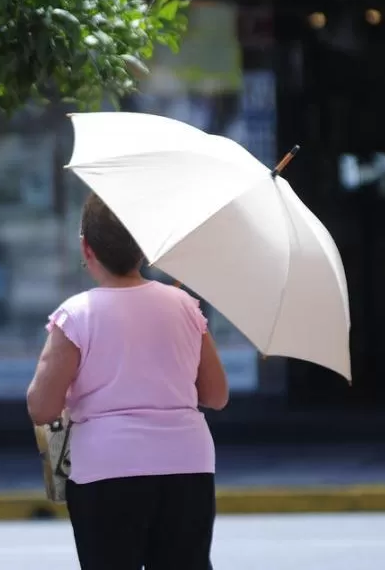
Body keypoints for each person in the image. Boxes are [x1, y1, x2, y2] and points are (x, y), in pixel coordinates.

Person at [26, 191, 229, 570]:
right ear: (143, 250)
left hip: (107, 469)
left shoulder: (75, 316)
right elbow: (216, 395)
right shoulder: (184, 306)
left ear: (87, 248)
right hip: (188, 464)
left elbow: (42, 407)